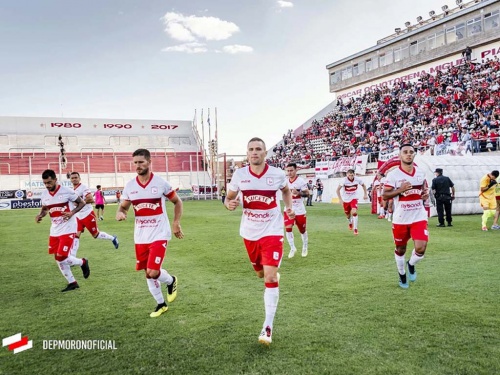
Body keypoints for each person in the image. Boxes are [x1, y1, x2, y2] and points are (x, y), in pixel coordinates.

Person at [225, 137, 295, 346]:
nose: (254, 152)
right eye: (251, 150)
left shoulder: (277, 174)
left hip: (272, 230)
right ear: (247, 154)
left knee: (270, 277)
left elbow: (285, 191)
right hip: (249, 232)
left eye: (258, 149)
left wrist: (288, 207)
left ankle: (267, 327)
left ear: (265, 153)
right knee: (260, 274)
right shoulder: (240, 175)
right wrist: (229, 204)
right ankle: (269, 274)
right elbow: (228, 198)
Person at [116, 148, 184, 318]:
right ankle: (161, 304)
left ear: (149, 162)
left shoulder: (160, 183)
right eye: (135, 163)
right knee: (148, 273)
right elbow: (123, 206)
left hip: (160, 234)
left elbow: (177, 202)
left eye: (141, 162)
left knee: (153, 271)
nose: (138, 166)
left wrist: (176, 223)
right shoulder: (130, 186)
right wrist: (121, 212)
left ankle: (171, 280)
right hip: (140, 236)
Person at [382, 144, 430, 289]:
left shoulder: (421, 173)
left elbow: (422, 190)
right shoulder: (393, 175)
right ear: (400, 155)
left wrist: (424, 194)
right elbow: (385, 195)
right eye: (405, 152)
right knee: (401, 249)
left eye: (411, 152)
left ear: (414, 155)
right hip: (401, 219)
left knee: (421, 248)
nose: (408, 154)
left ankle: (411, 264)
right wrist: (400, 190)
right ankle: (402, 274)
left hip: (418, 216)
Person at [35, 169, 90, 292]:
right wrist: (41, 215)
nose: (47, 185)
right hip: (54, 230)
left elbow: (82, 203)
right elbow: (45, 209)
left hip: (68, 228)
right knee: (57, 257)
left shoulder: (67, 191)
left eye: (49, 182)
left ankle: (83, 262)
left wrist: (71, 213)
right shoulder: (44, 194)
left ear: (55, 180)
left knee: (62, 256)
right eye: (45, 183)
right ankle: (72, 283)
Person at [69, 171, 119, 256]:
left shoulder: (83, 187)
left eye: (76, 177)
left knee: (96, 235)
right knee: (76, 235)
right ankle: (72, 258)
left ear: (79, 178)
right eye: (72, 178)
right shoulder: (71, 190)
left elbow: (91, 199)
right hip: (78, 216)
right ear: (70, 179)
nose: (74, 179)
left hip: (87, 214)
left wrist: (80, 203)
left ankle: (112, 238)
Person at [284, 162, 310, 258]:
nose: (289, 172)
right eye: (288, 171)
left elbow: (307, 194)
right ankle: (292, 248)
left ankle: (305, 246)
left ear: (296, 170)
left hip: (299, 210)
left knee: (302, 230)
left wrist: (298, 193)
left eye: (291, 170)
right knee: (288, 228)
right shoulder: (285, 181)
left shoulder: (301, 181)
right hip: (289, 208)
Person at [336, 169, 368, 235]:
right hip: (346, 199)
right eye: (349, 175)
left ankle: (355, 229)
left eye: (352, 175)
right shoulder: (344, 180)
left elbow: (363, 185)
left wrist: (365, 194)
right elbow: (338, 190)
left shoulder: (357, 179)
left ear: (354, 174)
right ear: (347, 175)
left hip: (354, 198)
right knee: (348, 215)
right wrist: (340, 199)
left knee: (354, 212)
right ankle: (350, 222)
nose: (351, 176)